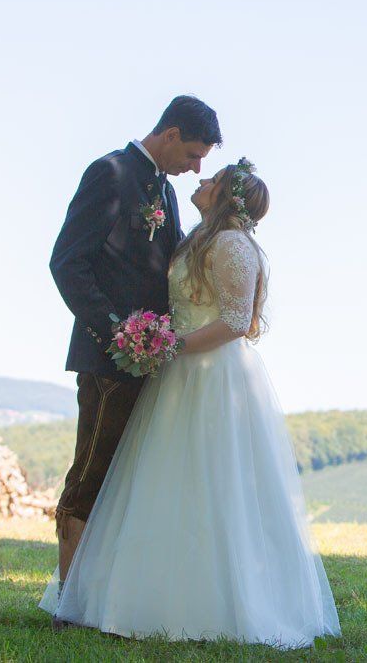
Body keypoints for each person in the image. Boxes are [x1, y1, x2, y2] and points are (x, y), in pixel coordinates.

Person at [40, 158, 341, 648]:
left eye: (213, 179)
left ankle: (213, 602)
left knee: (209, 482)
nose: (201, 179)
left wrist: (173, 346)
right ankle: (139, 594)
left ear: (226, 196)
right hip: (175, 374)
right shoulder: (196, 238)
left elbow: (237, 321)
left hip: (211, 377)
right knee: (160, 482)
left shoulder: (231, 244)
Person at [48, 95, 221, 593]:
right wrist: (116, 331)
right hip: (107, 362)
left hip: (154, 364)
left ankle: (107, 595)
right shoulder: (110, 173)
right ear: (171, 134)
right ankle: (69, 600)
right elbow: (67, 263)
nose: (196, 168)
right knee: (92, 476)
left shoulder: (164, 190)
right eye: (193, 154)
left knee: (128, 483)